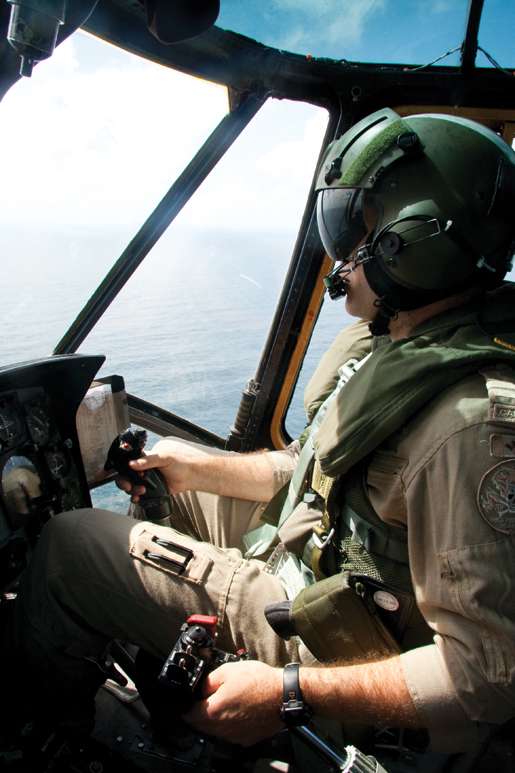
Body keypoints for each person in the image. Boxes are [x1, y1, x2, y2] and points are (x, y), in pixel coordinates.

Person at [12, 108, 515, 766]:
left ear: (411, 242)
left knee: (66, 543)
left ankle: (37, 739)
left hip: (333, 636)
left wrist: (288, 694)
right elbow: (317, 474)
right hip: (324, 560)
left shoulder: (468, 424)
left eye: (359, 232)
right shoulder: (399, 342)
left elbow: (487, 673)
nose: (341, 256)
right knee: (173, 490)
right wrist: (191, 466)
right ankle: (175, 682)